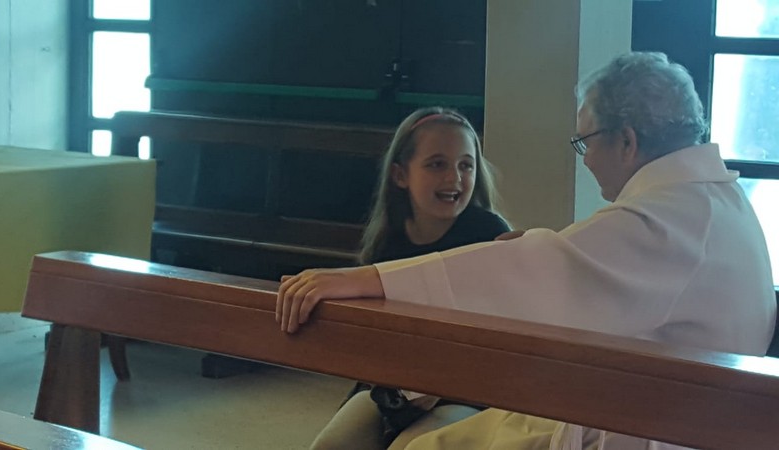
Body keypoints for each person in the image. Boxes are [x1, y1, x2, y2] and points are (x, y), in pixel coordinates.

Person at [276, 52, 776, 449]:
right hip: (667, 408)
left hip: (653, 425)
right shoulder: (708, 199)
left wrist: (367, 279)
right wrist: (547, 251)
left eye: (585, 142)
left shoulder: (669, 216)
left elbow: (541, 271)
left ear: (626, 141)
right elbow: (569, 270)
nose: (586, 160)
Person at [309, 106, 511, 450]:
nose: (454, 178)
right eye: (437, 164)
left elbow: (503, 340)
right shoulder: (388, 241)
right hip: (394, 386)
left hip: (468, 390)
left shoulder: (488, 233)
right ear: (401, 175)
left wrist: (437, 382)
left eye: (466, 165)